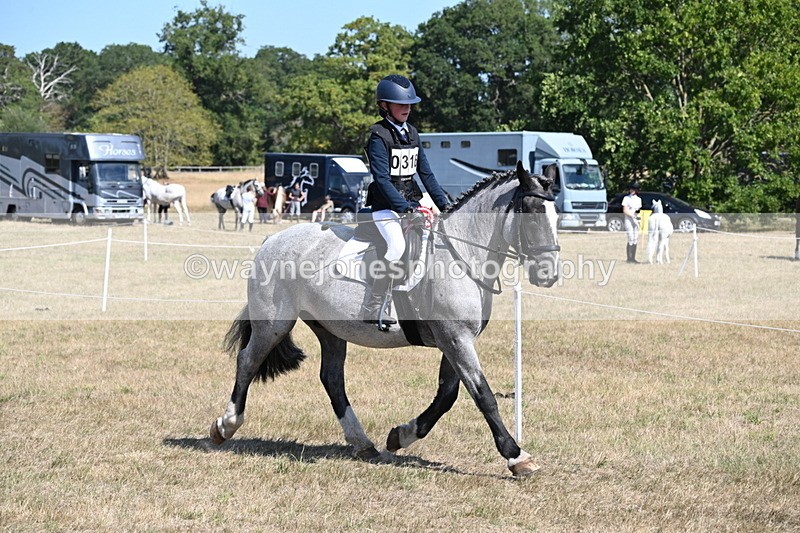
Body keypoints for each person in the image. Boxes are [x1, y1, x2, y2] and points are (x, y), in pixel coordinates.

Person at [362, 74, 451, 327]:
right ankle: (374, 305)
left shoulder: (412, 133)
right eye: (401, 104)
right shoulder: (378, 135)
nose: (407, 109)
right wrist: (406, 208)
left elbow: (426, 173)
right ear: (384, 106)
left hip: (413, 202)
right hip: (386, 208)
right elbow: (382, 179)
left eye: (409, 104)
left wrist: (445, 205)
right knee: (397, 247)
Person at [622, 181, 643, 263]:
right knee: (630, 237)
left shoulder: (639, 199)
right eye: (631, 189)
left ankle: (633, 258)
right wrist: (632, 215)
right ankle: (629, 258)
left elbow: (638, 210)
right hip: (628, 219)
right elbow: (625, 210)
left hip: (635, 219)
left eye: (634, 189)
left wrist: (637, 216)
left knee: (635, 238)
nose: (632, 191)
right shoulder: (626, 198)